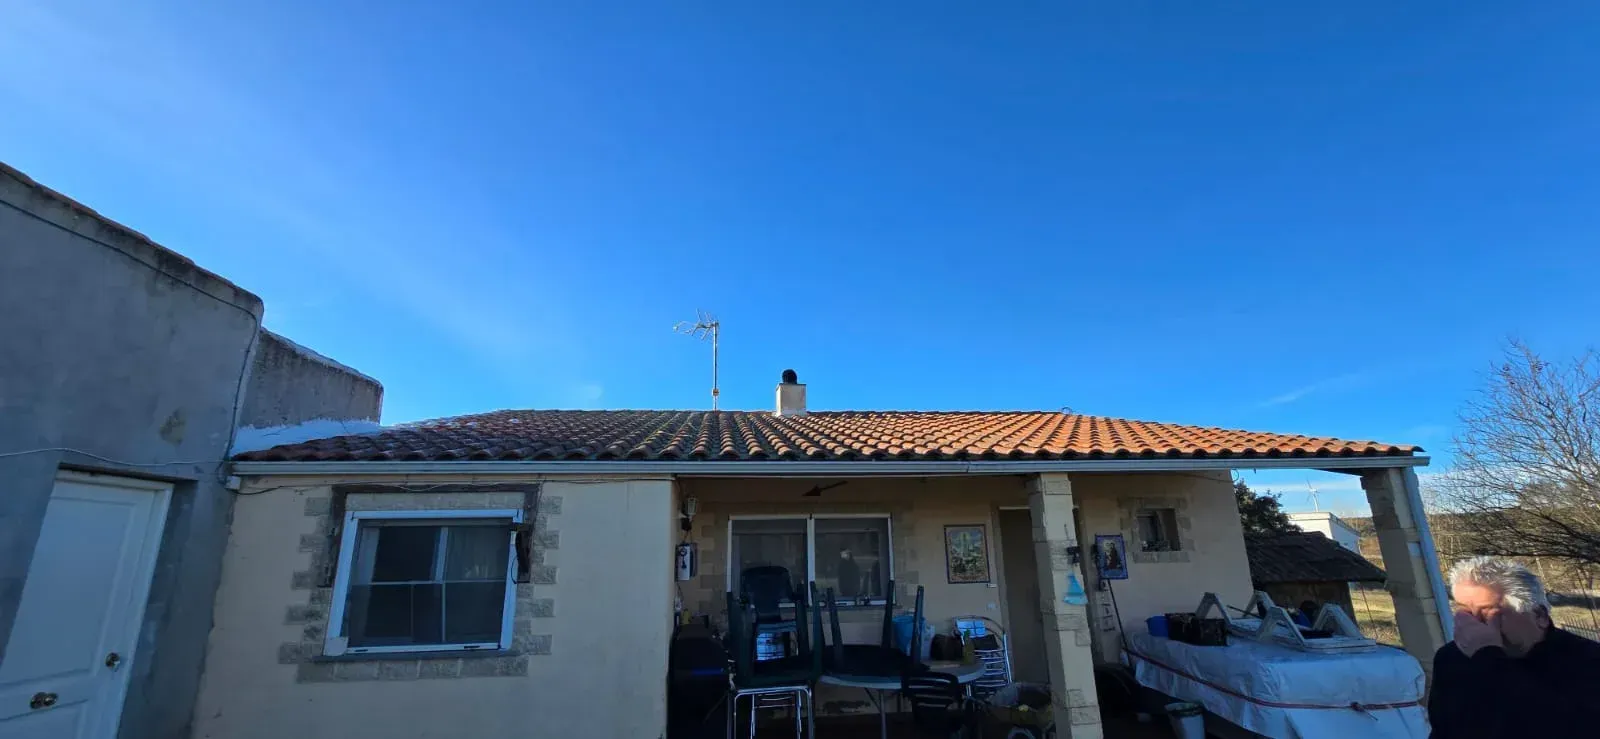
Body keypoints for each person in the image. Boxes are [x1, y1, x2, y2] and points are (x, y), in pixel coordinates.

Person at [1428, 556, 1600, 738]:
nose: (1475, 625)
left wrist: (1488, 657)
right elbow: (1445, 729)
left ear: (1539, 615)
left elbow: (1556, 724)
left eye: (1488, 612)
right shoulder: (1451, 659)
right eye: (1465, 612)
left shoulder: (1588, 661)